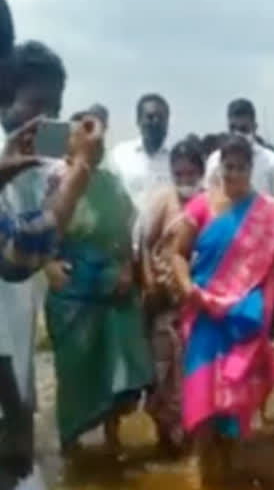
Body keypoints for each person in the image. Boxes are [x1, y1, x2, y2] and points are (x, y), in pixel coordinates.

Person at [0, 37, 103, 490]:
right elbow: (21, 254)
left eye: (54, 107)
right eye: (36, 103)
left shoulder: (23, 161)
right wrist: (81, 173)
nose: (44, 119)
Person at [170, 134, 274, 485]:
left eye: (240, 167)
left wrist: (263, 316)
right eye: (228, 166)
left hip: (242, 323)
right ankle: (203, 472)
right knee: (202, 400)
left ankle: (230, 473)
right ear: (219, 167)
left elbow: (273, 271)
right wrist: (187, 289)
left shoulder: (267, 215)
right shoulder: (202, 206)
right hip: (206, 318)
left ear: (251, 170)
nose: (233, 173)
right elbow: (178, 253)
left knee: (235, 406)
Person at [43, 107, 154, 457]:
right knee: (75, 371)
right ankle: (70, 442)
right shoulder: (54, 179)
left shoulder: (111, 183)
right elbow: (38, 229)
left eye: (99, 134)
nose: (96, 140)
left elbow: (126, 233)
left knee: (118, 365)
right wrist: (48, 265)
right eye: (85, 132)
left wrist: (126, 268)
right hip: (72, 292)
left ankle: (113, 437)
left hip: (112, 287)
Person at [142, 134, 206, 455]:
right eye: (178, 174)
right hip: (165, 302)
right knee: (162, 370)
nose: (185, 180)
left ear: (201, 172)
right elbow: (145, 243)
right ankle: (163, 437)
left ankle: (192, 438)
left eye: (190, 174)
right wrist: (151, 279)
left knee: (191, 374)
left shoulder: (210, 203)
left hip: (196, 304)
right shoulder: (164, 201)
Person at [107, 93, 172, 249]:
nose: (155, 122)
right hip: (122, 248)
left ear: (167, 122)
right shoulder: (119, 155)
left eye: (160, 117)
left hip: (160, 252)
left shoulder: (175, 162)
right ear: (138, 120)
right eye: (149, 117)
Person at [204, 99, 274, 197]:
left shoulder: (271, 161)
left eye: (243, 129)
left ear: (254, 128)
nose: (238, 134)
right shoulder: (215, 160)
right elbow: (208, 200)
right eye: (233, 128)